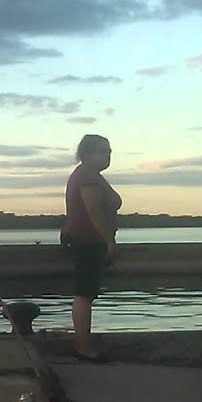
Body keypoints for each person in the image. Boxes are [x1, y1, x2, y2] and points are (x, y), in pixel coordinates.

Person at [60, 133, 122, 361]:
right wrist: (109, 240)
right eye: (103, 151)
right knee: (84, 294)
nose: (108, 155)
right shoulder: (87, 176)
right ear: (87, 153)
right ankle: (83, 347)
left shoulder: (91, 175)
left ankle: (83, 344)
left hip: (85, 240)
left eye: (110, 151)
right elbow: (93, 210)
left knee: (86, 293)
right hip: (87, 241)